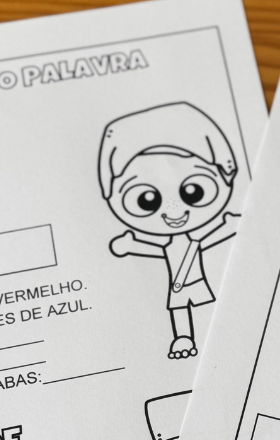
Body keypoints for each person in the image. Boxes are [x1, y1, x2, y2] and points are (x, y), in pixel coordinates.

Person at [99, 103, 239, 358]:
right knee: (179, 309)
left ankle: (218, 336)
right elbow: (157, 250)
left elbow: (207, 240)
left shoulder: (191, 240)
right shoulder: (173, 243)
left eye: (194, 192)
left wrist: (229, 227)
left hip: (192, 279)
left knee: (209, 305)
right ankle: (183, 337)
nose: (173, 213)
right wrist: (131, 246)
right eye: (146, 201)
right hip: (178, 283)